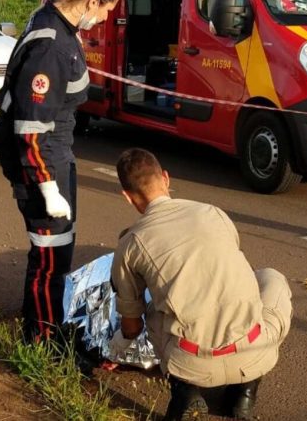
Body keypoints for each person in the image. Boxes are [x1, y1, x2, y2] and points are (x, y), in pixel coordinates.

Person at [109, 148, 293, 421]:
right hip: (253, 353)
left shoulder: (129, 245)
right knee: (271, 279)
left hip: (189, 363)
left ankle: (185, 393)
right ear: (166, 179)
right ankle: (245, 392)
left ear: (127, 196)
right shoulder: (212, 212)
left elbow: (132, 326)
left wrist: (118, 347)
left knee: (152, 311)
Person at [0, 0, 120, 343]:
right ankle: (42, 337)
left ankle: (48, 324)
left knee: (58, 251)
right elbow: (30, 127)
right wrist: (47, 187)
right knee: (50, 256)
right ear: (92, 1)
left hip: (56, 157)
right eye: (104, 13)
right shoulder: (51, 45)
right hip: (41, 164)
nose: (101, 21)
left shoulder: (58, 24)